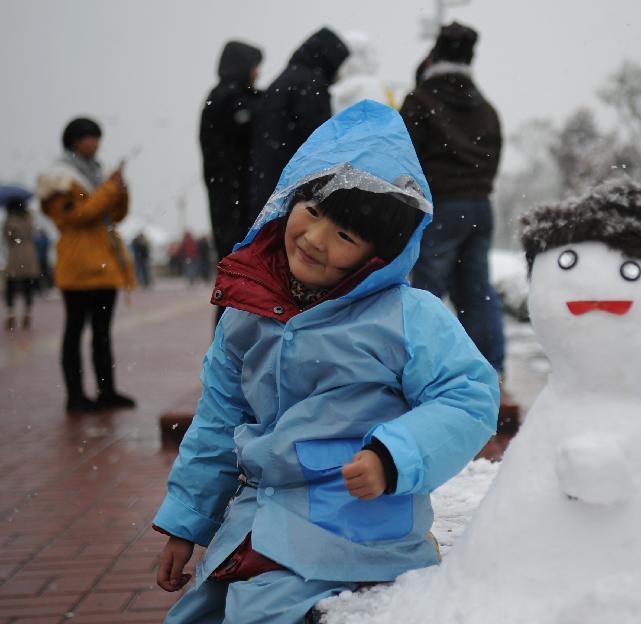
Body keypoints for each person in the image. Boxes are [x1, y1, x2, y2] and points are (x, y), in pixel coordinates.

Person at [153, 100, 498, 622]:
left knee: (259, 611)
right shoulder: (247, 313)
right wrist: (187, 521)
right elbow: (219, 419)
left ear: (377, 254)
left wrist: (393, 456)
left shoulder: (406, 316)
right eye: (312, 211)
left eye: (345, 235)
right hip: (259, 519)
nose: (314, 239)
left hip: (354, 528)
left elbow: (469, 395)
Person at [399, 22, 519, 432]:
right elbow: (495, 158)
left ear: (434, 55)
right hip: (480, 207)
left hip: (440, 206)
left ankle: (421, 378)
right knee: (477, 291)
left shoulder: (421, 102)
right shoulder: (486, 109)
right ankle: (492, 374)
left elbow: (403, 155)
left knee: (428, 293)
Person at [36, 117, 136, 413]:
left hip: (105, 266)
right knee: (74, 333)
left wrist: (120, 190)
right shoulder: (59, 178)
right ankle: (75, 396)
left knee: (102, 334)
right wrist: (107, 191)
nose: (93, 143)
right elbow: (77, 217)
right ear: (73, 142)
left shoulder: (97, 174)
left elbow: (114, 215)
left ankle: (107, 391)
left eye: (96, 137)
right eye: (87, 137)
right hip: (78, 267)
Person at [248, 27, 349, 216]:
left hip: (268, 186)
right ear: (329, 58)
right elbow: (319, 141)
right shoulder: (311, 84)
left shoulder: (284, 79)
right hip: (294, 190)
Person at [200, 40, 263, 276]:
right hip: (232, 197)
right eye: (254, 66)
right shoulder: (227, 98)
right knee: (236, 271)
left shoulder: (226, 97)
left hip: (228, 196)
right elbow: (248, 120)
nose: (257, 73)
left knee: (233, 271)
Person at [3, 198, 40, 330]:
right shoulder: (28, 218)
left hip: (15, 254)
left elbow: (8, 237)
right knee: (28, 285)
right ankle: (28, 312)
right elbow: (34, 233)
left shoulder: (9, 220)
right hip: (29, 254)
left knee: (11, 284)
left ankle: (11, 312)